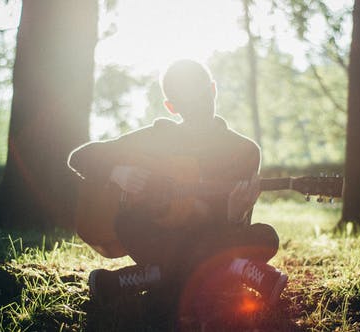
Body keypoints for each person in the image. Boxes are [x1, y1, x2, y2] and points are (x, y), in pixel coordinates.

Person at [67, 60, 287, 309]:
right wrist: (117, 172)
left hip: (207, 239)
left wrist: (235, 215)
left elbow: (230, 235)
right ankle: (233, 270)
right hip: (164, 240)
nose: (198, 108)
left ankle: (146, 278)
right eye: (188, 103)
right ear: (171, 107)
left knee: (264, 237)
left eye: (202, 96)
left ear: (213, 90)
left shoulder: (243, 151)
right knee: (127, 222)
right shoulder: (158, 137)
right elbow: (79, 157)